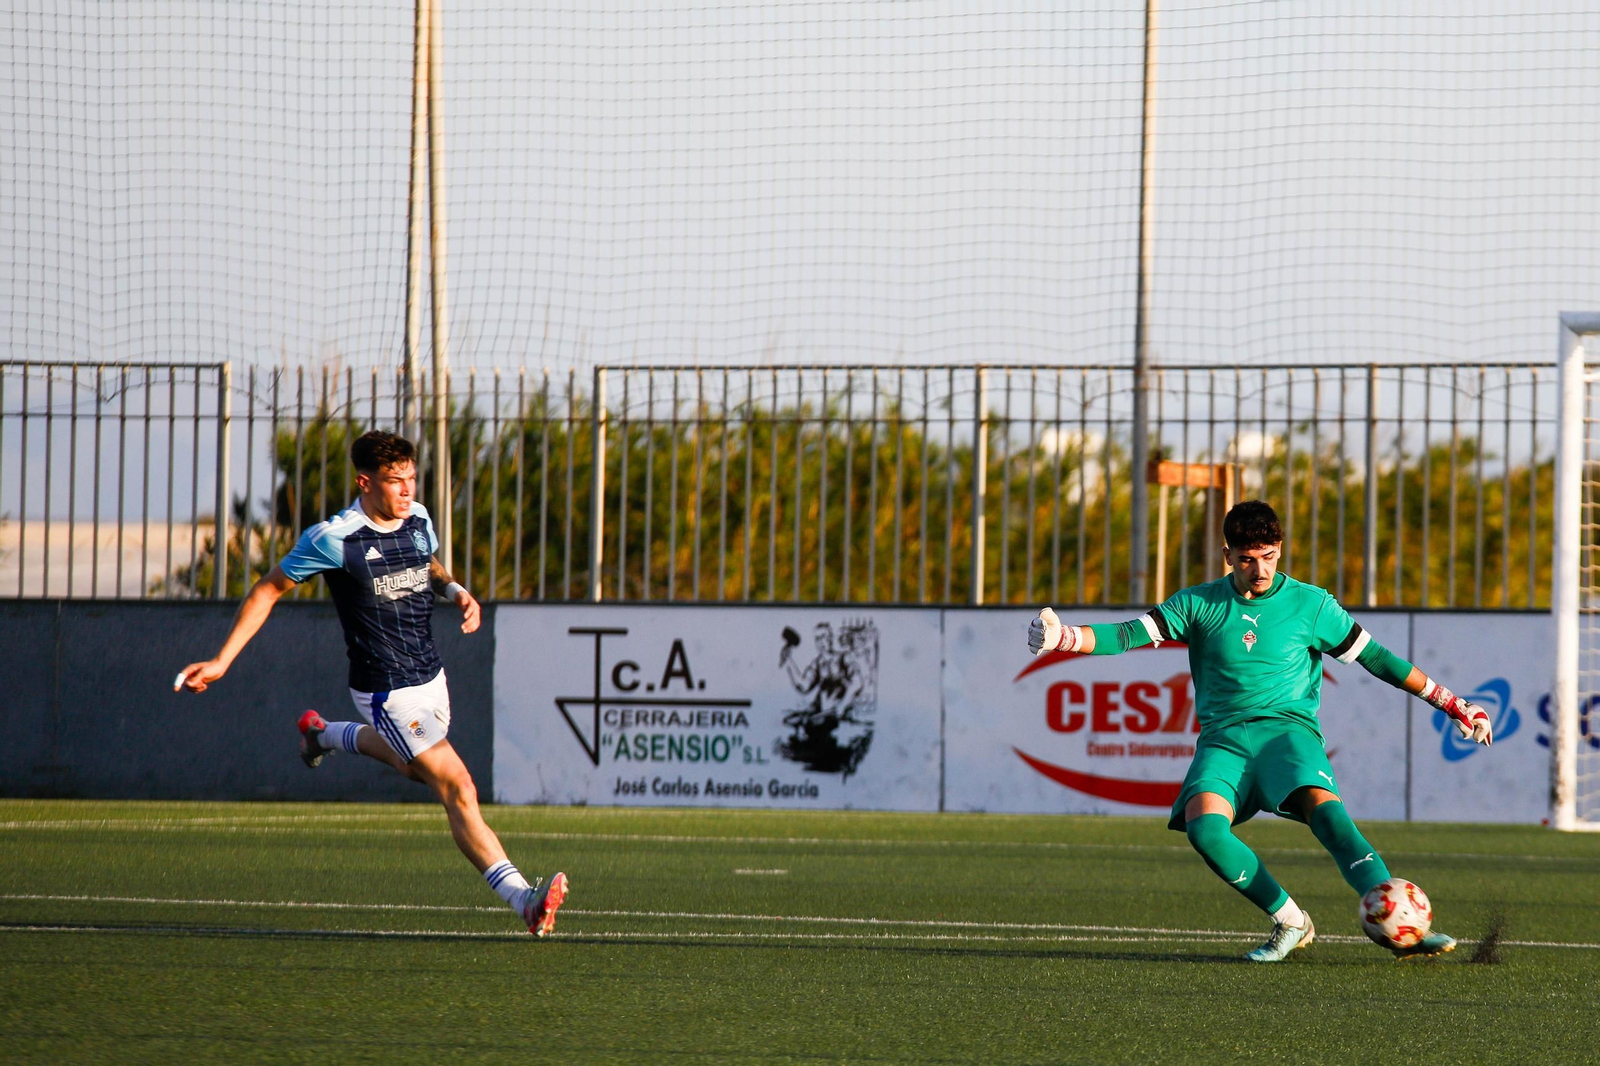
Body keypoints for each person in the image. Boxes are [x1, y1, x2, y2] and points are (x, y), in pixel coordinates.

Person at [1026, 500, 1490, 962]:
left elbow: (1378, 659)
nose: (1260, 570)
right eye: (1247, 559)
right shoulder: (1197, 603)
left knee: (1327, 815)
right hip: (1224, 739)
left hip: (1288, 734)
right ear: (1227, 555)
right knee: (1205, 831)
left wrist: (1451, 703)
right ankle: (1290, 920)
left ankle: (1405, 927)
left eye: (1268, 557)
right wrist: (1063, 637)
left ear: (1280, 549)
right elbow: (1126, 634)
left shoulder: (1312, 605)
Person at [175, 430, 567, 937]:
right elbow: (269, 589)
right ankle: (524, 901)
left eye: (411, 478)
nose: (407, 490)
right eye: (395, 481)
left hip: (430, 676)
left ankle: (323, 734)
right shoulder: (334, 539)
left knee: (413, 768)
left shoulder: (418, 517)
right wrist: (222, 660)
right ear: (365, 482)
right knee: (458, 786)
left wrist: (455, 590)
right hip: (385, 689)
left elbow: (426, 561)